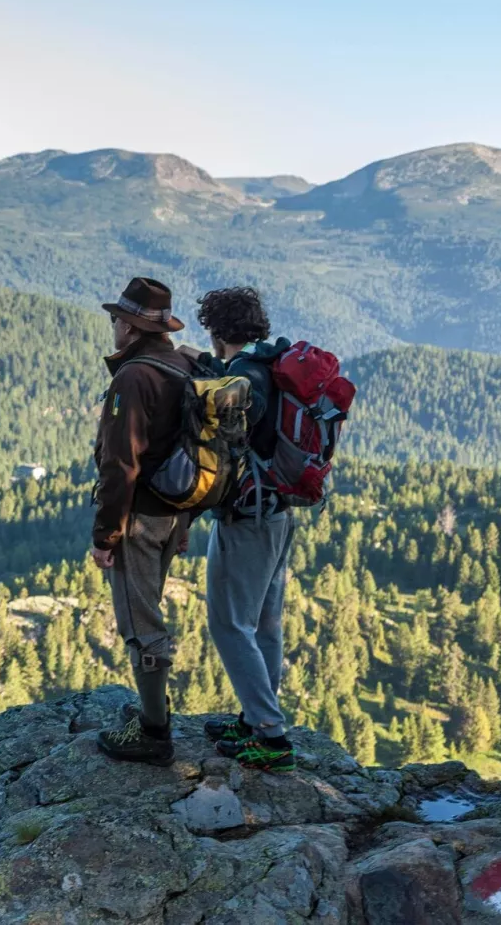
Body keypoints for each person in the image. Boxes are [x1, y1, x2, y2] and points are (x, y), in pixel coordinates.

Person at [92, 277, 195, 766]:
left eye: (116, 319)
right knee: (148, 609)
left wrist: (105, 535)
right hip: (175, 513)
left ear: (130, 328)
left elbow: (121, 465)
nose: (112, 326)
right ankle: (154, 709)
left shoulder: (133, 378)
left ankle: (154, 733)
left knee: (140, 621)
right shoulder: (183, 365)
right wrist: (187, 521)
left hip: (141, 518)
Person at [195, 287, 298, 772]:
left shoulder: (245, 377)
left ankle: (271, 738)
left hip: (247, 517)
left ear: (217, 332)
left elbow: (226, 428)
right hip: (278, 510)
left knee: (230, 623)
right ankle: (255, 719)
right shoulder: (271, 363)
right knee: (265, 623)